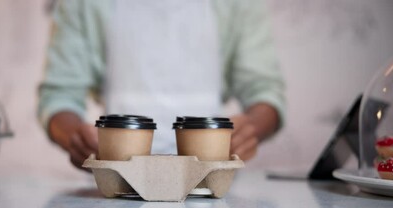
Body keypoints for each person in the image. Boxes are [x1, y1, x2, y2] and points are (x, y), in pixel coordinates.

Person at [38, 0, 286, 170]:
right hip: (119, 178)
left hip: (209, 179)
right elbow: (59, 96)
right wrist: (75, 138)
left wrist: (250, 128)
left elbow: (264, 90)